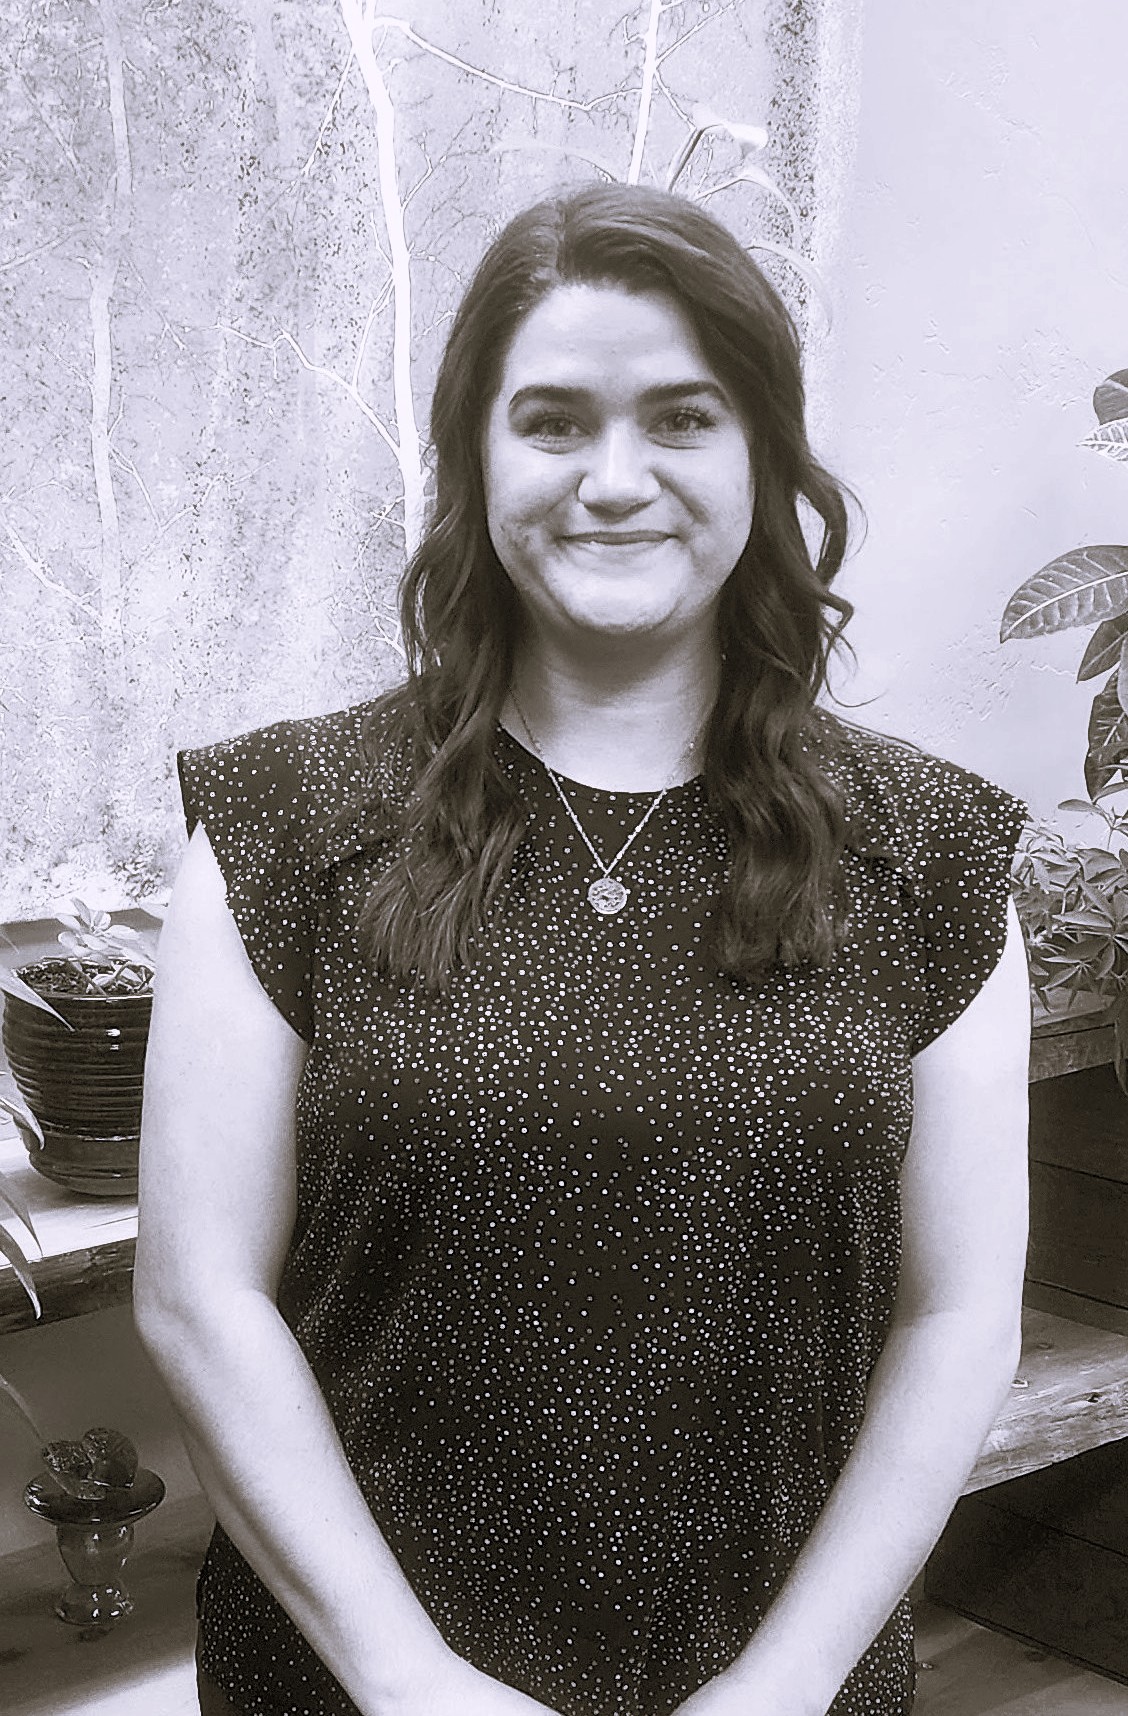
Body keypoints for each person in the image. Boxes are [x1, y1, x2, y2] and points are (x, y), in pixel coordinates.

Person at [134, 183, 1031, 1716]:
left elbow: (959, 1321)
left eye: (681, 418)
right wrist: (408, 1679)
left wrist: (787, 1684)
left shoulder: (930, 857)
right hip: (350, 1685)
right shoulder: (281, 826)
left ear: (763, 455)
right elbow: (198, 1297)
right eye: (553, 422)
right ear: (475, 459)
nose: (616, 480)